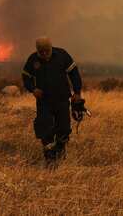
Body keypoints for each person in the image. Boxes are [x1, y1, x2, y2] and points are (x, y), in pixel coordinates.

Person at [21, 36, 85, 167]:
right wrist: (33, 89)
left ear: (51, 47)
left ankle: (60, 152)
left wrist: (77, 93)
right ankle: (50, 160)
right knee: (45, 129)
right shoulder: (33, 59)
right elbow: (25, 77)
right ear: (37, 50)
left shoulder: (62, 55)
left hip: (62, 99)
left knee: (64, 128)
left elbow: (74, 73)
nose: (44, 54)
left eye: (46, 51)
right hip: (44, 102)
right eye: (41, 51)